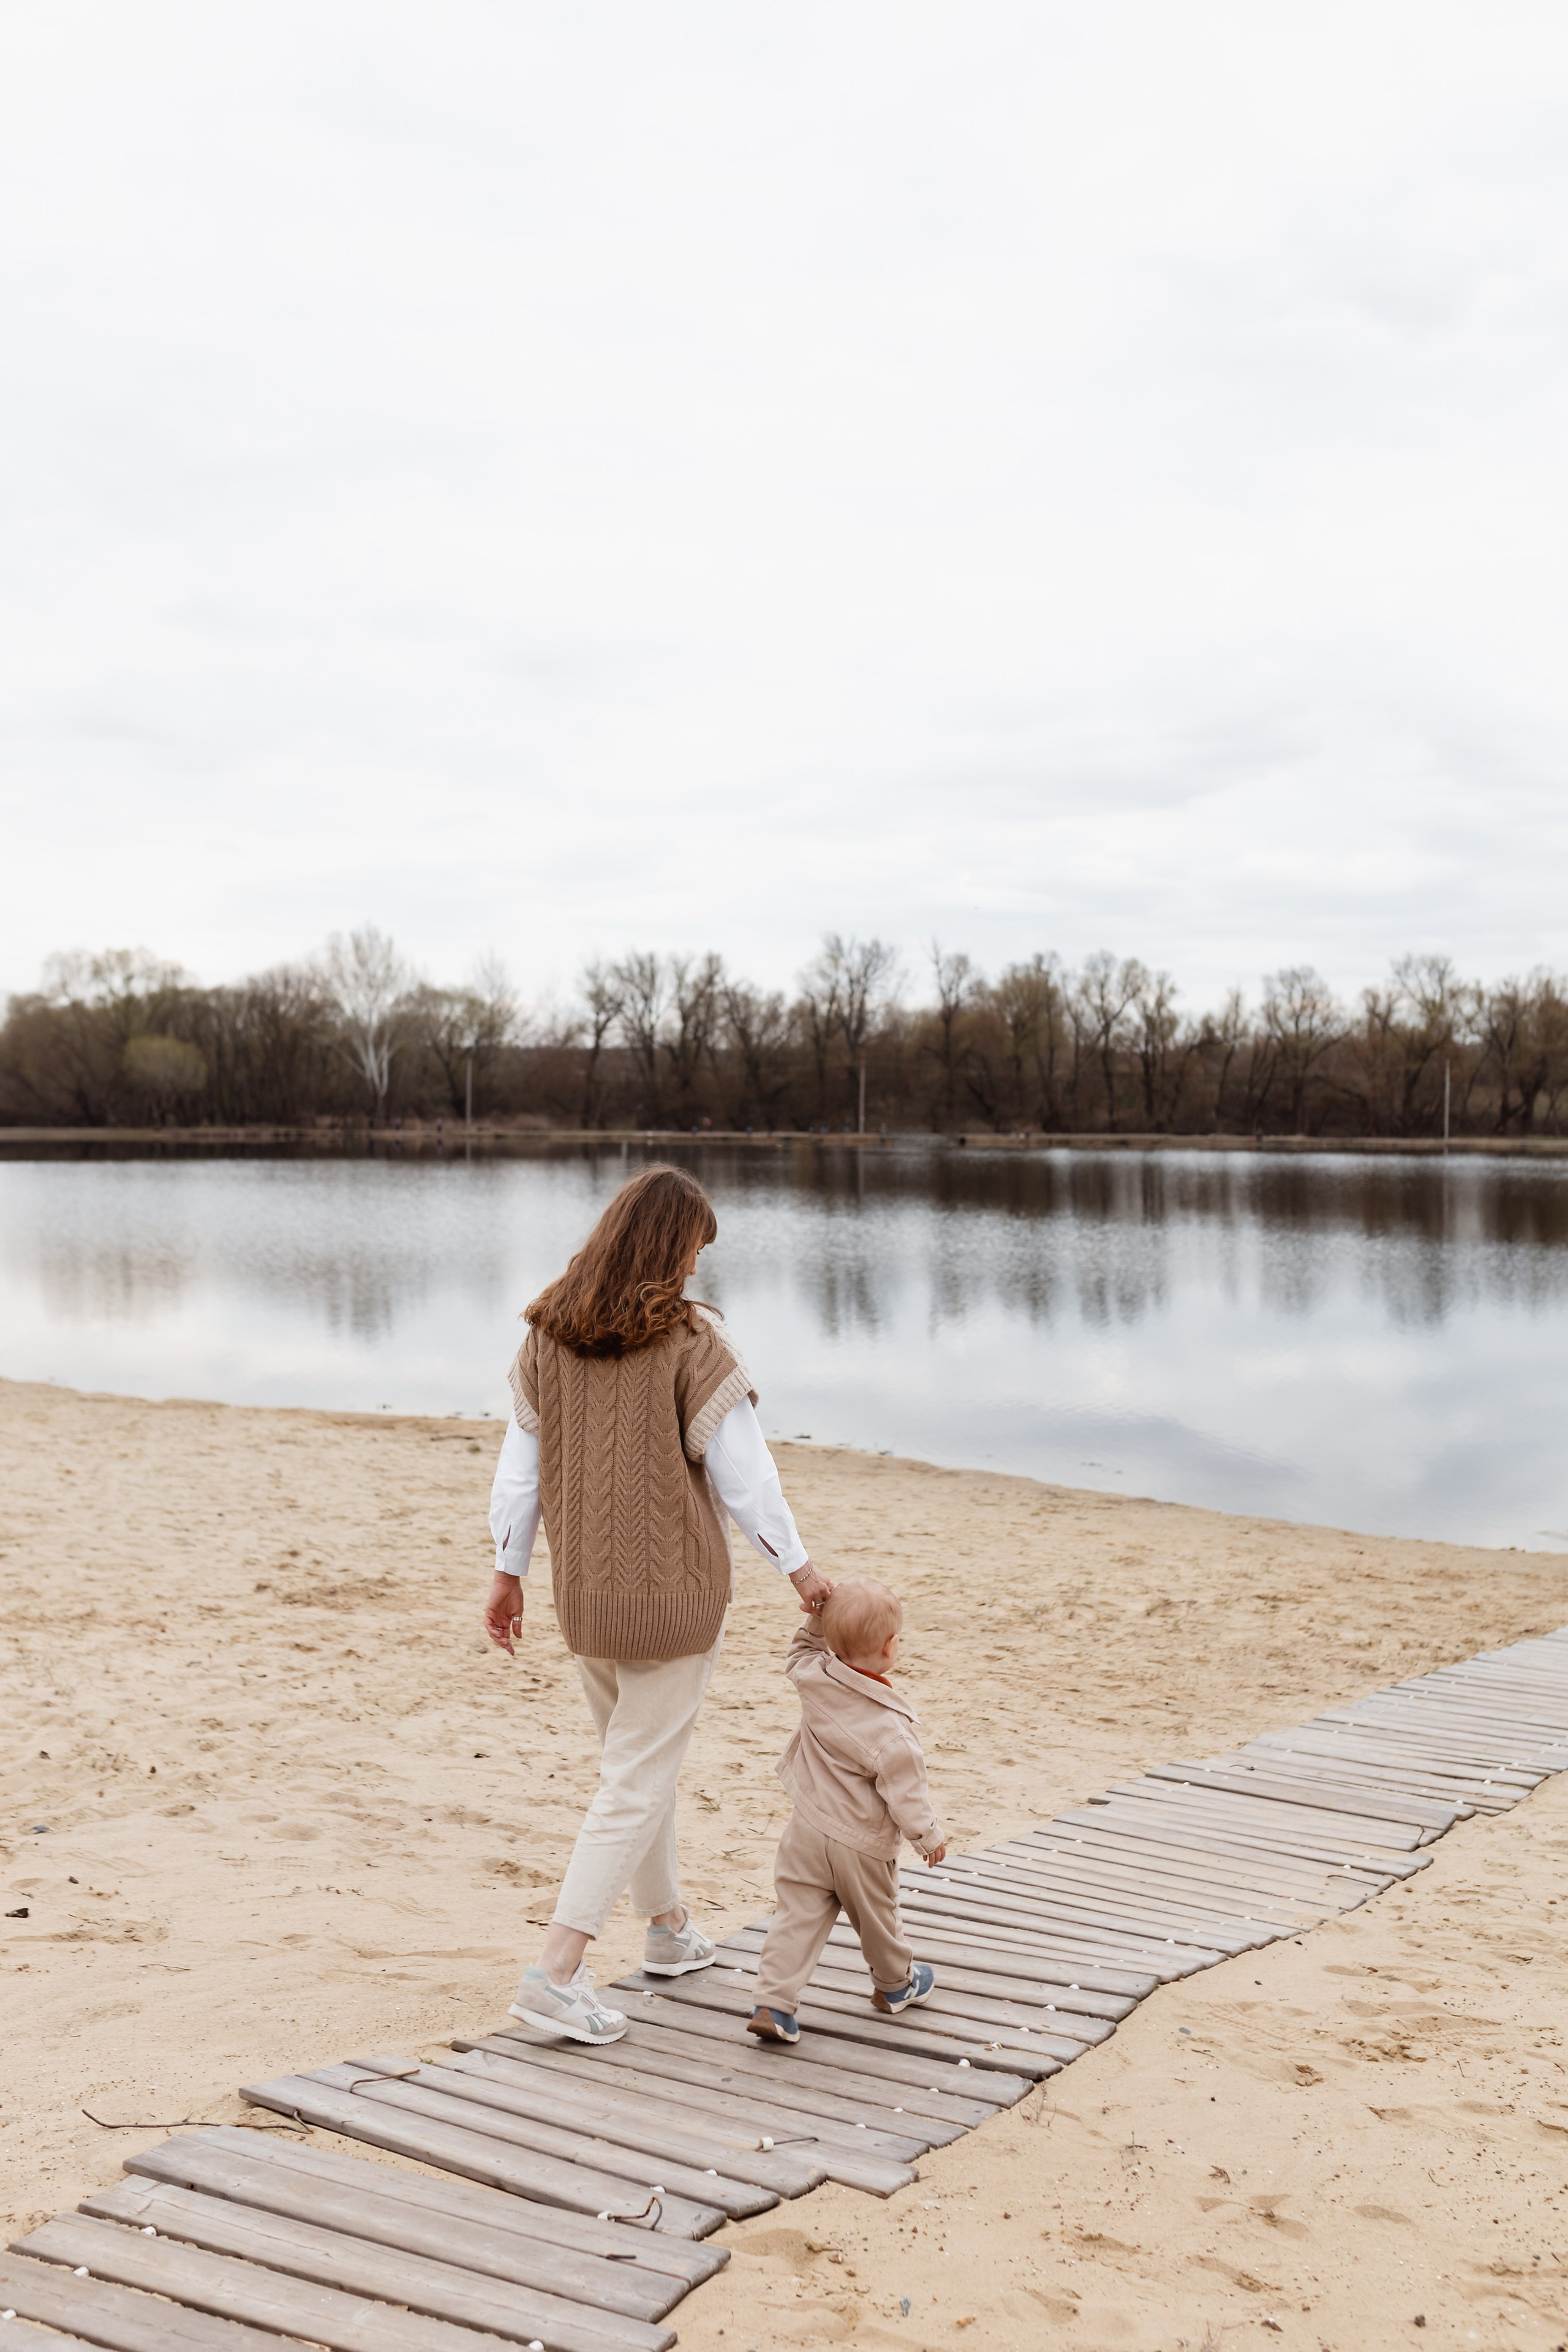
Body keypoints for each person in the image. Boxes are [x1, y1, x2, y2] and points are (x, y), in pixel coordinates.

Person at [483, 1164, 830, 2044]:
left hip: (584, 1596)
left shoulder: (545, 1336)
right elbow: (747, 1478)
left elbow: (517, 1474)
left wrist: (508, 1570)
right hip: (674, 1596)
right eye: (694, 1252)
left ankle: (670, 1930)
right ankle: (555, 1972)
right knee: (636, 1780)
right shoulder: (688, 1342)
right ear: (670, 1248)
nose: (697, 1272)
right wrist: (801, 1572)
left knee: (635, 1767)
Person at [747, 1575, 945, 2046]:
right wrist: (928, 1836)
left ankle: (774, 2001)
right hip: (861, 1843)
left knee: (797, 1913)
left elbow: (799, 1654)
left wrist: (818, 1620)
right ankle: (896, 1984)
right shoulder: (892, 1730)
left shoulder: (815, 1678)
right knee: (877, 1917)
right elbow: (906, 1792)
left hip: (808, 1828)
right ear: (891, 1646)